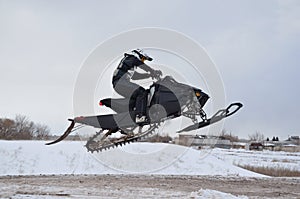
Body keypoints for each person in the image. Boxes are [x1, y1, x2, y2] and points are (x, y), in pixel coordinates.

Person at [112, 49, 162, 124]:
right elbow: (139, 63)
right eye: (143, 59)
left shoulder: (130, 64)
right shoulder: (131, 58)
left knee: (137, 96)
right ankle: (139, 116)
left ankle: (132, 113)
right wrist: (152, 71)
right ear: (138, 55)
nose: (143, 61)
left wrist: (149, 75)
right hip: (120, 83)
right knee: (141, 92)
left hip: (120, 84)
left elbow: (135, 76)